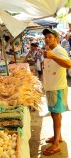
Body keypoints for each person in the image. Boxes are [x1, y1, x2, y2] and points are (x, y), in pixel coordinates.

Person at [42, 28, 71, 156]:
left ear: (56, 38)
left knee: (55, 114)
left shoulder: (59, 50)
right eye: (46, 37)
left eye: (50, 37)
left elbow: (69, 64)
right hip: (52, 87)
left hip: (57, 88)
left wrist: (53, 56)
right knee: (56, 114)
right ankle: (57, 137)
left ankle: (56, 145)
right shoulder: (50, 50)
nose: (47, 39)